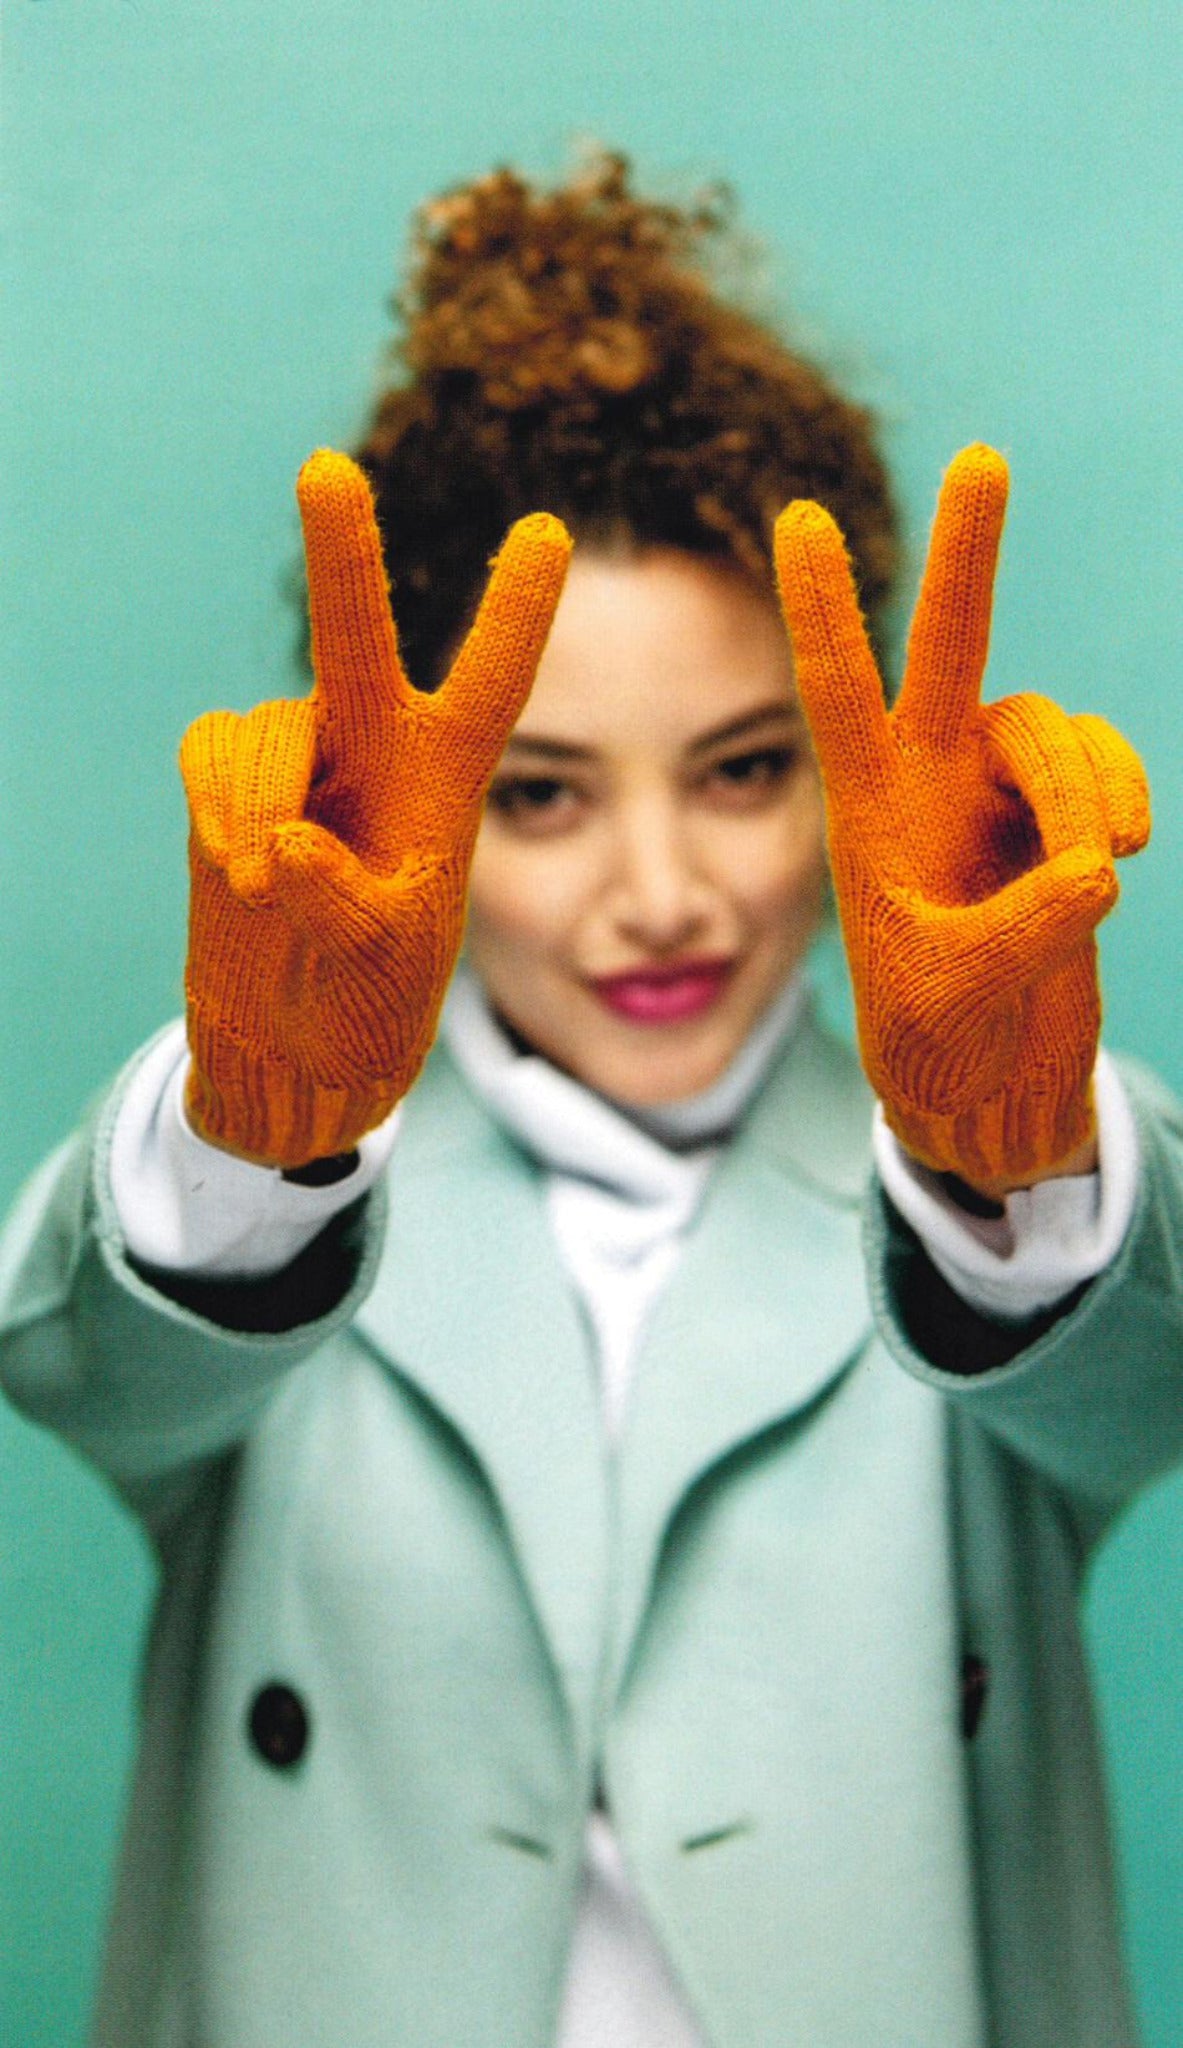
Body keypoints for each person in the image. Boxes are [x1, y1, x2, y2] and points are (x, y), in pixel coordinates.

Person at [2, 152, 1182, 2048]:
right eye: (539, 794)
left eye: (741, 770)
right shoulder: (285, 1208)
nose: (662, 897)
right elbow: (83, 1363)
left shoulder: (963, 1205)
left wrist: (1013, 1174)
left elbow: (1137, 1381)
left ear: (860, 761)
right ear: (413, 795)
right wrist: (257, 1142)